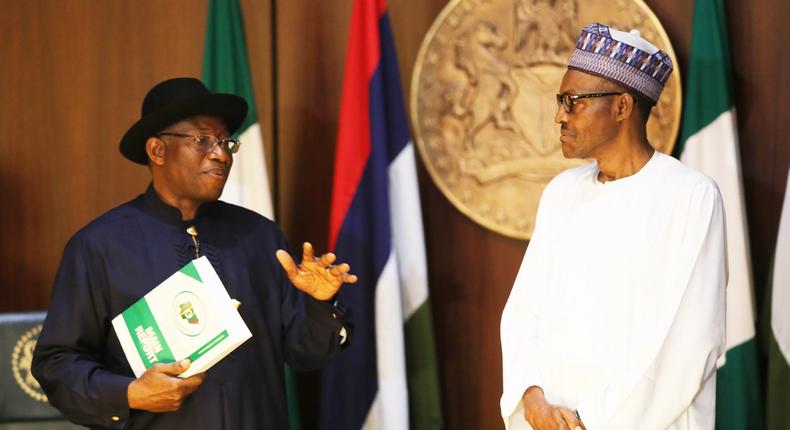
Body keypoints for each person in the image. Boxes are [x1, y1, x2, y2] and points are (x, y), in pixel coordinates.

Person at [32, 77, 357, 429]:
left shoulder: (260, 236)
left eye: (225, 142)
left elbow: (304, 352)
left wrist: (320, 305)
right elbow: (57, 364)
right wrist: (128, 393)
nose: (220, 154)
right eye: (203, 140)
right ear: (157, 151)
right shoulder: (99, 247)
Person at [500, 23, 726, 430]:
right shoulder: (561, 193)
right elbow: (524, 313)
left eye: (573, 102)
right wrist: (531, 398)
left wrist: (591, 423)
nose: (559, 116)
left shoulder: (690, 197)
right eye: (559, 101)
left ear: (622, 107)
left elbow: (688, 346)